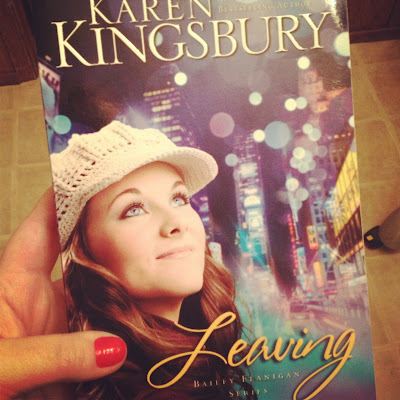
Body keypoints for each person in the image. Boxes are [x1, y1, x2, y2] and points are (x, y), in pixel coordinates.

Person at [28, 121, 249, 399]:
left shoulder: (200, 347)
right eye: (133, 209)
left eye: (179, 199)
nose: (176, 223)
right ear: (83, 250)